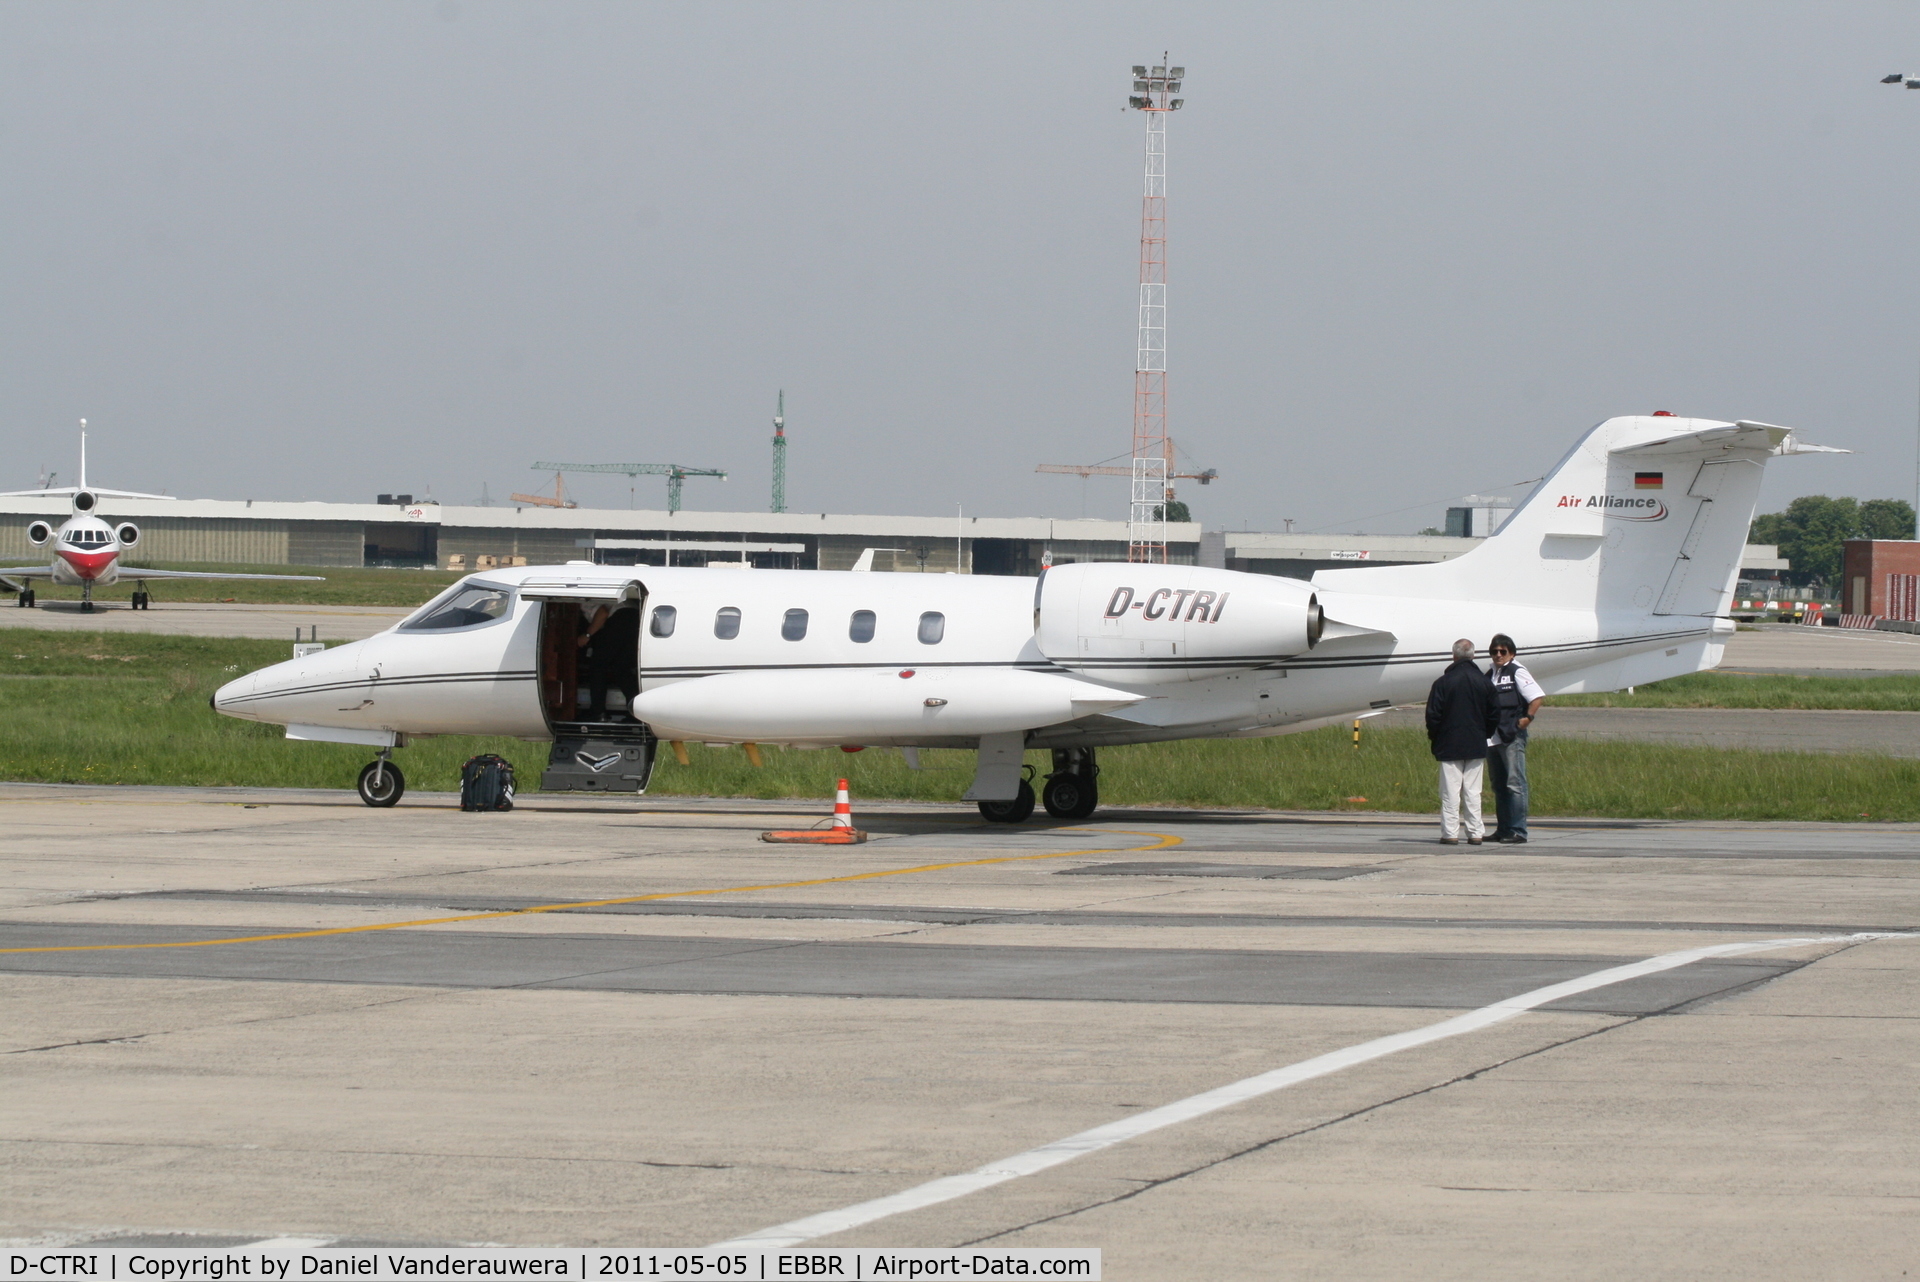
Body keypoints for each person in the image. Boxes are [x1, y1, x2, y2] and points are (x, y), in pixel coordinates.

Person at [1425, 638, 1498, 845]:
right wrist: (1485, 733)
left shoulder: (1442, 683)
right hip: (1475, 743)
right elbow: (1494, 714)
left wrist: (1435, 736)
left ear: (1454, 655)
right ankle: (1475, 833)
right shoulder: (1485, 683)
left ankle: (1450, 833)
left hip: (1448, 743)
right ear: (1473, 656)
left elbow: (1433, 716)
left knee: (1450, 791)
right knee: (1473, 791)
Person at [1485, 633, 1545, 844]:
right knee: (1499, 785)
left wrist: (1527, 718)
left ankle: (1519, 830)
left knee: (1515, 783)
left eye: (1503, 651)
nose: (1498, 655)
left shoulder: (1517, 671)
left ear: (1512, 653)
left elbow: (1537, 696)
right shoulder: (1490, 673)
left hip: (1512, 735)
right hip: (1492, 737)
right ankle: (1503, 830)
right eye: (1494, 651)